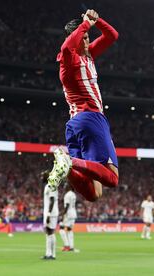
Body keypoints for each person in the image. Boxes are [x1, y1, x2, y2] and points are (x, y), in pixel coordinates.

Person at [48, 9, 119, 202]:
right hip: (91, 118)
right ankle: (69, 161)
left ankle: (68, 166)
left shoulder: (88, 56)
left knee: (94, 194)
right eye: (83, 37)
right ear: (76, 37)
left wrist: (97, 20)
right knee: (112, 178)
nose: (87, 41)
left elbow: (112, 36)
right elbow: (66, 48)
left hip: (75, 125)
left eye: (88, 37)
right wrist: (85, 24)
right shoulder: (69, 61)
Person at [42, 171, 59, 260]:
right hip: (49, 213)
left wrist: (48, 214)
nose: (41, 177)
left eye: (43, 175)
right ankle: (48, 253)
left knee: (51, 232)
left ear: (47, 176)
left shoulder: (51, 185)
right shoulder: (48, 185)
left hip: (51, 213)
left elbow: (52, 200)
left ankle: (53, 254)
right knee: (48, 233)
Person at [59, 185, 78, 252]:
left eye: (66, 186)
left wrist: (62, 215)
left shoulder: (67, 195)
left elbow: (66, 205)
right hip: (73, 213)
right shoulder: (73, 194)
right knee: (70, 230)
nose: (65, 187)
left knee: (61, 228)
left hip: (68, 214)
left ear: (69, 187)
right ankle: (71, 247)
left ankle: (66, 246)